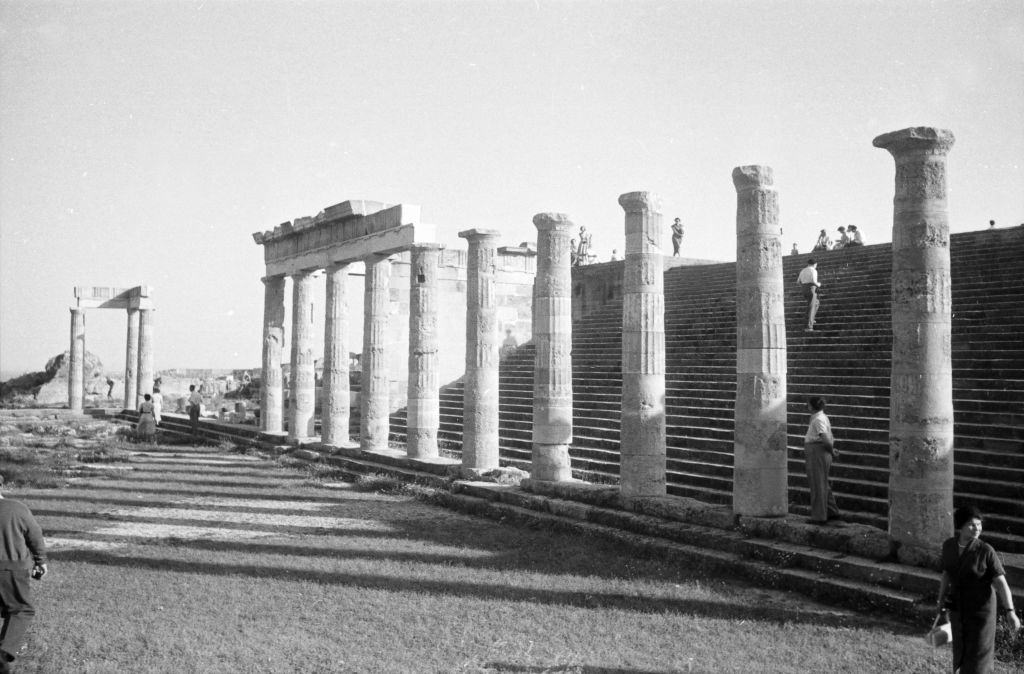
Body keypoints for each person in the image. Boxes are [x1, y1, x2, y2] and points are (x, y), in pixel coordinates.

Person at [937, 505, 1021, 673]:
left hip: (981, 612)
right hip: (958, 609)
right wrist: (940, 601)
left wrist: (1010, 611)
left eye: (979, 524)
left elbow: (1001, 583)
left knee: (978, 657)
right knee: (961, 651)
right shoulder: (949, 546)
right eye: (972, 524)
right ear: (960, 526)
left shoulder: (985, 550)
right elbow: (947, 574)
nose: (977, 529)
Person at [0, 473, 48, 673]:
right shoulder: (17, 508)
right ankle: (3, 653)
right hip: (13, 568)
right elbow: (34, 535)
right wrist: (41, 561)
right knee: (21, 609)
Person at [803, 396, 840, 524]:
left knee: (817, 484)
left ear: (812, 406)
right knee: (822, 482)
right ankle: (831, 511)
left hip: (817, 453)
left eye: (808, 404)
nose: (807, 406)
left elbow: (824, 438)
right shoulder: (820, 417)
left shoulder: (818, 419)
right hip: (817, 452)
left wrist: (831, 450)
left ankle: (819, 517)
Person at [796, 258, 821, 331]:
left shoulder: (803, 270)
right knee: (811, 307)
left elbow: (798, 282)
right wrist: (819, 285)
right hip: (811, 288)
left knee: (816, 303)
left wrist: (804, 285)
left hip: (804, 289)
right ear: (815, 264)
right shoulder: (813, 270)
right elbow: (814, 281)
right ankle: (809, 326)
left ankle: (811, 319)